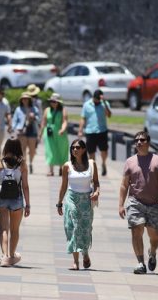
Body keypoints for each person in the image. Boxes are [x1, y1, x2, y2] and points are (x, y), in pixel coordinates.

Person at [118, 130, 158, 274]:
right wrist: (121, 205)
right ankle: (140, 263)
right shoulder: (130, 162)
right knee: (136, 230)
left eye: (142, 140)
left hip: (154, 204)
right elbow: (124, 185)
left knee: (156, 237)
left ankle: (152, 251)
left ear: (148, 143)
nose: (139, 142)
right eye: (137, 140)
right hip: (136, 202)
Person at [56, 139, 99, 270]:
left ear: (84, 149)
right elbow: (63, 186)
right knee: (73, 227)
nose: (75, 149)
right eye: (73, 147)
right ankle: (76, 262)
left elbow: (96, 182)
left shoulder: (92, 164)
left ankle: (85, 253)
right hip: (71, 198)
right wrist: (59, 203)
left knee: (85, 229)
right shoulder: (67, 166)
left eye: (78, 147)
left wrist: (97, 192)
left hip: (86, 199)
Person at [0, 138, 30, 267]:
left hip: (2, 199)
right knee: (15, 230)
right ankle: (12, 255)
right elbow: (25, 186)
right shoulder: (22, 165)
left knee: (4, 229)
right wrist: (28, 204)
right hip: (17, 199)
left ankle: (4, 256)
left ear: (5, 148)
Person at [78, 89, 111, 176]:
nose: (98, 101)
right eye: (97, 99)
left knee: (104, 150)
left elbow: (109, 115)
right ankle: (93, 168)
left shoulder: (104, 104)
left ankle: (103, 163)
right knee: (91, 152)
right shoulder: (86, 105)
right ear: (93, 97)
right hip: (90, 131)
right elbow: (83, 118)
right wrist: (80, 130)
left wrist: (104, 104)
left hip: (102, 131)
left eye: (99, 100)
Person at [38, 93, 69, 176]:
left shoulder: (63, 110)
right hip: (49, 133)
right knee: (50, 151)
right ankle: (51, 170)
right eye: (51, 101)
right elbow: (43, 123)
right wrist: (40, 134)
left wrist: (63, 129)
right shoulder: (47, 110)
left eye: (55, 101)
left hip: (60, 133)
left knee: (61, 150)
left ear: (58, 102)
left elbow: (65, 121)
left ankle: (61, 168)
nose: (53, 103)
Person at [12, 92, 40, 174]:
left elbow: (39, 119)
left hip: (32, 130)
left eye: (27, 99)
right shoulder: (18, 109)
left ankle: (31, 163)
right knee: (22, 150)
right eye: (23, 99)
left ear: (29, 100)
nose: (25, 100)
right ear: (21, 100)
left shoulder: (34, 109)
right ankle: (24, 165)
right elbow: (14, 121)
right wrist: (16, 129)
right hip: (22, 131)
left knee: (32, 150)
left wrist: (34, 117)